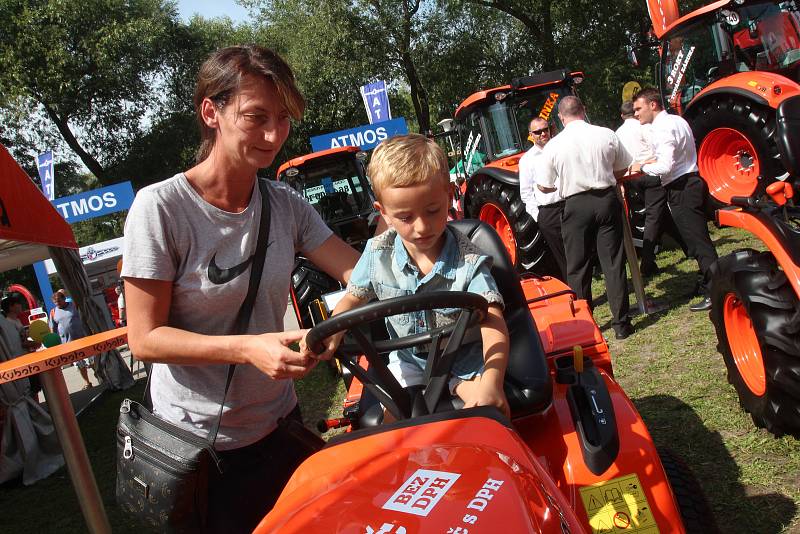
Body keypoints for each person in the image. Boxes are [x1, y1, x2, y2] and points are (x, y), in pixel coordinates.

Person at [121, 45, 359, 533]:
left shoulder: (285, 204)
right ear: (212, 112)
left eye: (282, 118)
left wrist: (342, 316)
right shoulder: (161, 209)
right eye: (255, 117)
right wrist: (248, 349)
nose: (274, 136)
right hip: (202, 447)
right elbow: (144, 339)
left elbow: (359, 270)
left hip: (280, 427)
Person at [307, 134, 510, 419]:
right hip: (407, 361)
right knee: (391, 427)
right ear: (384, 214)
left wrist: (492, 379)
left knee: (488, 410)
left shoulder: (469, 260)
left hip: (463, 360)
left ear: (450, 196)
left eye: (432, 210)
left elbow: (492, 319)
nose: (421, 227)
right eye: (405, 217)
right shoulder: (378, 254)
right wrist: (334, 330)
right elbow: (354, 295)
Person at [535, 96, 634, 340]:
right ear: (584, 110)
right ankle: (621, 324)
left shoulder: (554, 146)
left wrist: (563, 181)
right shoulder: (606, 134)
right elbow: (623, 167)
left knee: (578, 268)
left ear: (560, 117)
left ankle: (584, 325)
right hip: (606, 199)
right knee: (613, 264)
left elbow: (544, 186)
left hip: (575, 205)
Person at [630, 87, 719, 311]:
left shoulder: (662, 128)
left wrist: (642, 166)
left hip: (681, 188)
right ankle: (709, 283)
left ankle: (715, 291)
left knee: (698, 243)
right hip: (691, 180)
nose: (636, 114)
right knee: (699, 239)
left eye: (638, 108)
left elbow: (665, 166)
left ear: (653, 105)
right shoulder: (677, 121)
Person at [616, 100, 662, 276]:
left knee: (645, 216)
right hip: (649, 173)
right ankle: (648, 262)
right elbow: (656, 148)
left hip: (631, 178)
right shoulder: (644, 126)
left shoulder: (618, 133)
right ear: (634, 113)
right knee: (653, 216)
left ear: (621, 115)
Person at [518, 118, 567, 280]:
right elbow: (526, 193)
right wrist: (539, 216)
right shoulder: (527, 160)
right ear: (531, 135)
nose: (543, 134)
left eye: (545, 129)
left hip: (570, 205)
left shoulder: (563, 149)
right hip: (548, 212)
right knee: (562, 255)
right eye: (538, 132)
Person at [49, 289, 93, 390]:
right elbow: (53, 328)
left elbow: (86, 318)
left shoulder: (74, 305)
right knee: (80, 365)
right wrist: (54, 342)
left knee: (92, 361)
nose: (57, 304)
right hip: (68, 344)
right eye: (55, 303)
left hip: (83, 340)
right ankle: (87, 382)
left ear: (64, 299)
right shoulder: (53, 312)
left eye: (59, 301)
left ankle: (100, 376)